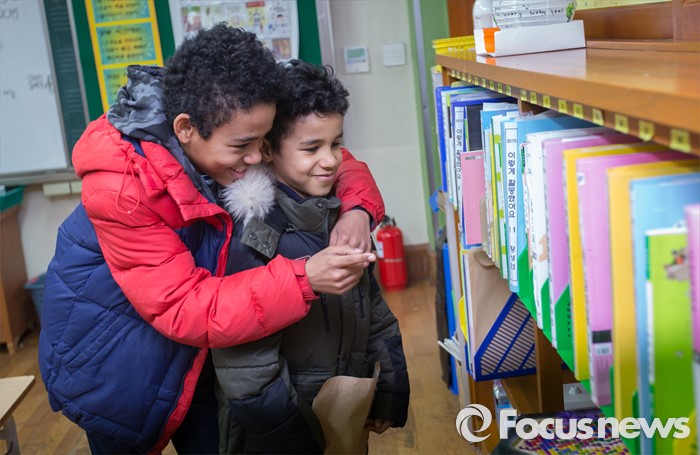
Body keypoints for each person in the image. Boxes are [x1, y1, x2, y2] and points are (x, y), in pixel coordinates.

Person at [38, 24, 385, 454]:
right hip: (114, 359)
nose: (258, 157)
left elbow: (331, 156)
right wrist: (304, 278)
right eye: (244, 146)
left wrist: (357, 210)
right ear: (185, 129)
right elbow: (182, 306)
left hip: (205, 343)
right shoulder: (122, 187)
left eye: (264, 140)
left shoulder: (234, 122)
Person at [212, 60, 410, 454]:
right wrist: (302, 443)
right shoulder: (252, 236)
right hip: (280, 438)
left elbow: (375, 314)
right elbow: (248, 371)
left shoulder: (340, 218)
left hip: (343, 416)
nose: (331, 159)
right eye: (311, 148)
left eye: (335, 144)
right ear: (267, 149)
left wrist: (388, 392)